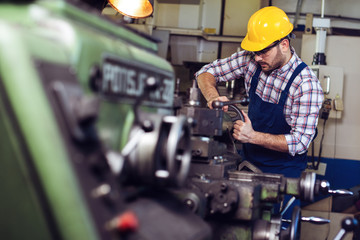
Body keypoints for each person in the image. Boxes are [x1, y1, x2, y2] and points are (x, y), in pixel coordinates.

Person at [195, 5, 324, 220]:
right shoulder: (251, 60)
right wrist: (212, 96)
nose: (257, 58)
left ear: (284, 44)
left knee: (274, 228)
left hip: (284, 174)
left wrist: (251, 136)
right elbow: (205, 72)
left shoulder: (306, 85)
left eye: (263, 51)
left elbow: (300, 142)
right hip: (248, 166)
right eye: (255, 51)